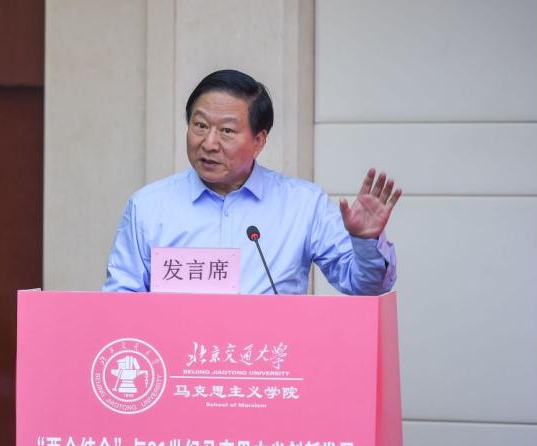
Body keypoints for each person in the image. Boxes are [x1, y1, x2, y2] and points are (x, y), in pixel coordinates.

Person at [102, 69, 401, 295]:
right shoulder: (147, 207)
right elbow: (119, 301)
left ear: (259, 141)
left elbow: (366, 287)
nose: (209, 143)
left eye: (227, 131)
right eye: (200, 125)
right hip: (178, 358)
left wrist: (365, 242)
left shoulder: (303, 205)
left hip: (267, 357)